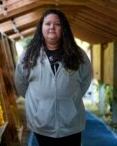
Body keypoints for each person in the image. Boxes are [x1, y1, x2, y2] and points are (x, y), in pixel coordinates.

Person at [14, 9, 92, 146]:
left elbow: (85, 80)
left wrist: (70, 101)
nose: (52, 27)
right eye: (47, 23)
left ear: (64, 28)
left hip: (71, 123)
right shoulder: (29, 54)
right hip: (42, 122)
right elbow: (21, 83)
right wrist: (39, 103)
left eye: (57, 24)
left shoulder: (78, 54)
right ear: (41, 27)